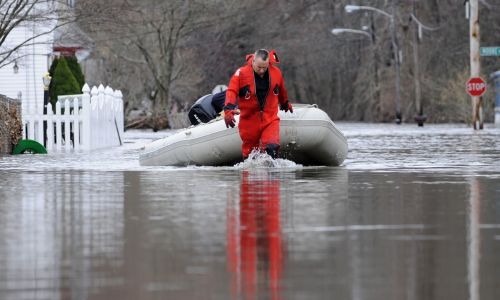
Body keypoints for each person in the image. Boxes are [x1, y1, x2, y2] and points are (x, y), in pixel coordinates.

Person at [224, 49, 293, 159]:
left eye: (264, 68)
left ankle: (272, 174)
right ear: (253, 61)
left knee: (272, 148)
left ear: (268, 64)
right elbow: (231, 91)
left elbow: (281, 90)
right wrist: (228, 110)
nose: (261, 71)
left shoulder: (276, 73)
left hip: (270, 118)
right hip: (249, 120)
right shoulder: (241, 74)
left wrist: (285, 103)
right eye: (259, 67)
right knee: (250, 156)